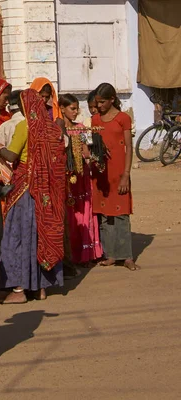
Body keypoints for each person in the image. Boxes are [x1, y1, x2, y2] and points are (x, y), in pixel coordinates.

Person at [0, 89, 66, 304]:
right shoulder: (51, 127)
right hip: (46, 193)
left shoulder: (25, 126)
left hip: (25, 189)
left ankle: (19, 289)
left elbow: (12, 155)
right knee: (41, 235)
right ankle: (41, 287)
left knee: (18, 237)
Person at [91, 83, 140, 271]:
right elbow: (96, 146)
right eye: (97, 102)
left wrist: (126, 175)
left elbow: (128, 148)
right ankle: (110, 254)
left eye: (102, 102)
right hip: (102, 175)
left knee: (121, 214)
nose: (99, 106)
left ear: (112, 99)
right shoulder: (95, 120)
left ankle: (126, 256)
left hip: (119, 172)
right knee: (105, 216)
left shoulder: (123, 119)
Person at [59, 94, 103, 272]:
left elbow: (85, 152)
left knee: (83, 212)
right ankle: (70, 256)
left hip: (81, 177)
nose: (76, 112)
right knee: (69, 216)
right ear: (62, 108)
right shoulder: (57, 129)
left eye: (77, 108)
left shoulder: (80, 128)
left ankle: (85, 255)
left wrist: (92, 156)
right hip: (65, 179)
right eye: (72, 109)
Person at [0, 90, 24, 184]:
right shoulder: (33, 124)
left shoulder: (5, 126)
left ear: (9, 108)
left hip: (12, 176)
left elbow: (0, 158)